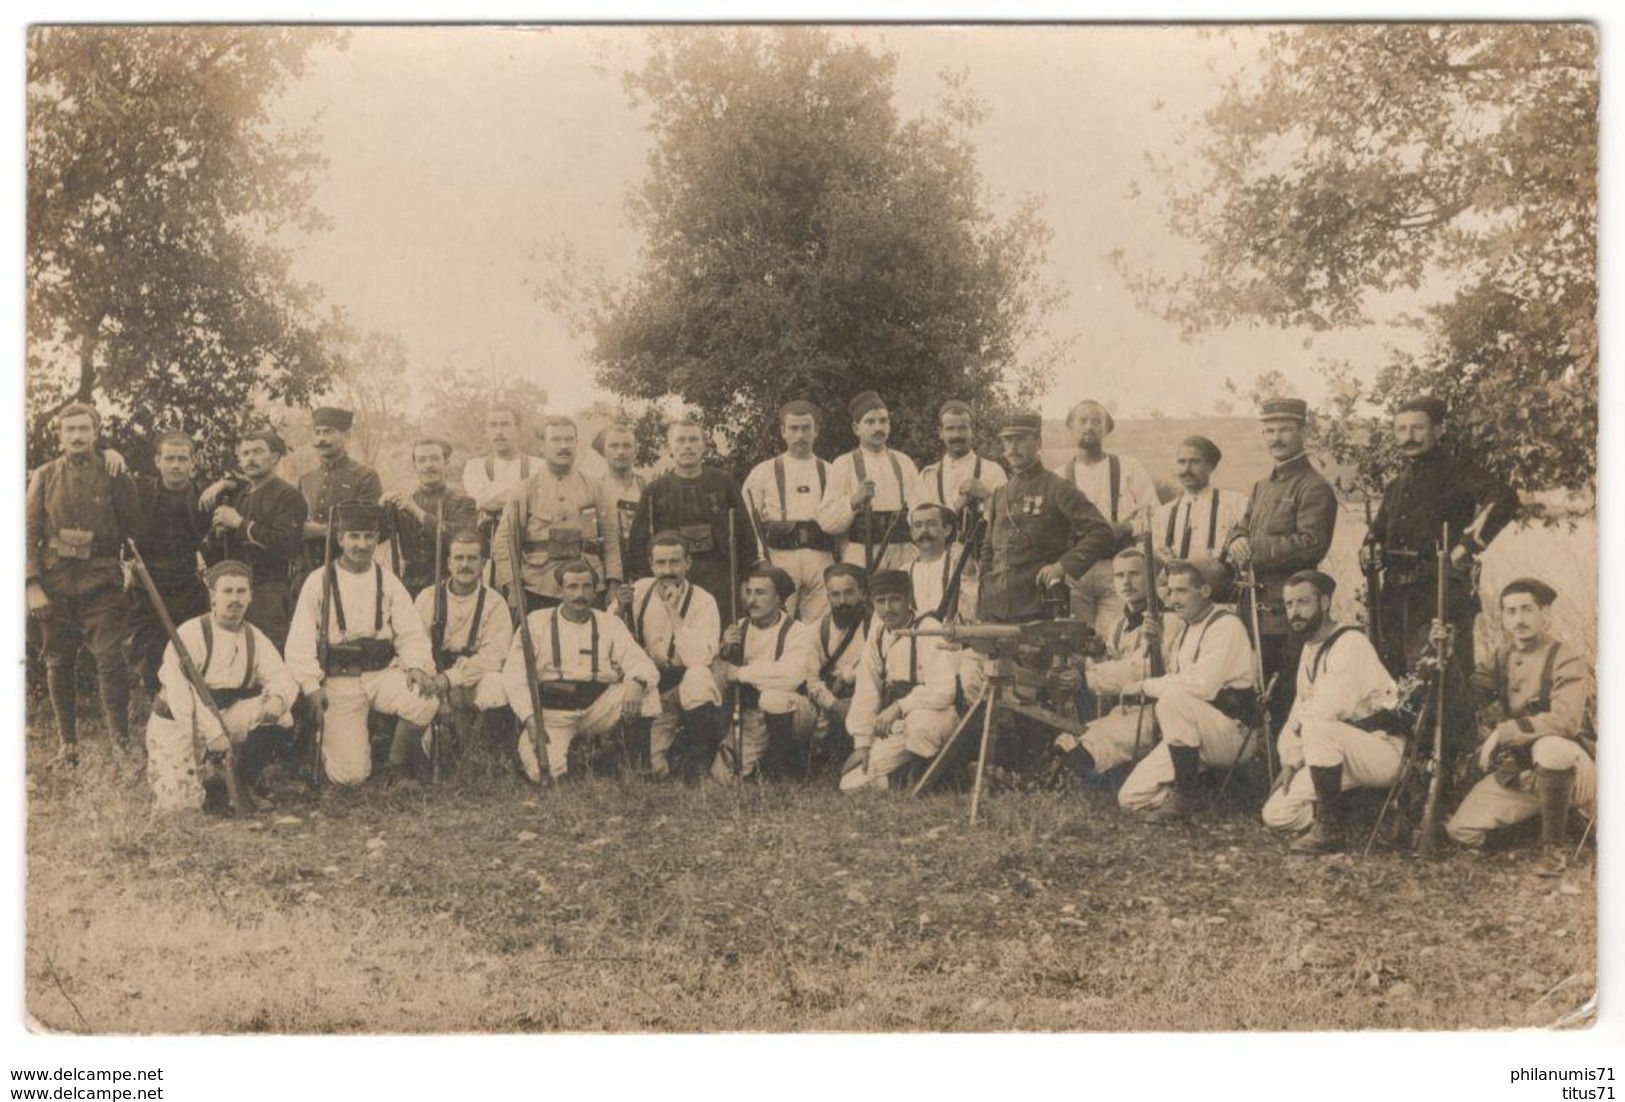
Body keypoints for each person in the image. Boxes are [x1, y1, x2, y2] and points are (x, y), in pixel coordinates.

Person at [1445, 578, 1595, 877]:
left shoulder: (1567, 657)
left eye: (1527, 609)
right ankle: (1547, 820)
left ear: (1545, 613)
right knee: (1461, 830)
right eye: (1510, 612)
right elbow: (1464, 703)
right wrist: (1447, 659)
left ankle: (1553, 849)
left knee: (1550, 747)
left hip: (1577, 768)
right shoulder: (1501, 657)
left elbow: (1566, 720)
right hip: (1525, 771)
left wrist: (1503, 733)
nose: (1519, 620)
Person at [284, 501, 440, 788]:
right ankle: (322, 748)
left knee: (424, 700)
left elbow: (411, 632)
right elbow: (299, 643)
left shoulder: (388, 580)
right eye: (353, 536)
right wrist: (311, 686)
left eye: (369, 536)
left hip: (381, 674)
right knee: (350, 776)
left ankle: (396, 766)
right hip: (340, 680)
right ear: (340, 539)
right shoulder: (318, 582)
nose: (361, 544)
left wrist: (416, 665)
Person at [1361, 395, 1520, 677]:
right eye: (1401, 429)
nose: (1409, 437)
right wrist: (1369, 549)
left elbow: (1505, 499)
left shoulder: (1458, 472)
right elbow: (1378, 532)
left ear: (1438, 430)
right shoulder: (1396, 486)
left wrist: (1467, 548)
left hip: (1439, 598)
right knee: (1392, 681)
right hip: (1394, 601)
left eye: (1417, 428)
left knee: (1441, 684)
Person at [26, 402, 146, 762]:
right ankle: (69, 745)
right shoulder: (44, 476)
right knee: (58, 662)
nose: (77, 436)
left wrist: (120, 471)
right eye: (70, 430)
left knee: (110, 660)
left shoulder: (113, 472)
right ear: (60, 436)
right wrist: (31, 584)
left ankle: (121, 744)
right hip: (54, 585)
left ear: (96, 433)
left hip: (101, 585)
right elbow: (26, 533)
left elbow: (135, 527)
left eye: (84, 429)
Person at [1260, 571, 1404, 854]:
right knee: (1276, 814)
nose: (1295, 612)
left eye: (1303, 602)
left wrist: (1299, 752)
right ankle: (1348, 813)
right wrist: (1290, 761)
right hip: (1332, 753)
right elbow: (1298, 709)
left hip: (1379, 749)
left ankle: (1330, 830)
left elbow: (1326, 708)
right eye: (1289, 605)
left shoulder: (1350, 643)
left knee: (1317, 723)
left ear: (1324, 602)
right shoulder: (1310, 648)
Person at [144, 561, 298, 813]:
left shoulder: (255, 637)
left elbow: (282, 677)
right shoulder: (190, 634)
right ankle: (206, 780)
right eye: (227, 591)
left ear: (250, 596)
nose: (234, 599)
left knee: (281, 714)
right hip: (179, 725)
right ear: (213, 596)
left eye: (241, 591)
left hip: (224, 717)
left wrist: (278, 699)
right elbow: (182, 697)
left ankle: (242, 781)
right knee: (180, 806)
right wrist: (213, 734)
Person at [1223, 397, 1337, 726]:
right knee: (1246, 689)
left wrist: (1253, 548)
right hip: (1251, 607)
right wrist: (1236, 541)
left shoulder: (1313, 486)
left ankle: (1286, 764)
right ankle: (1255, 763)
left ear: (1303, 432)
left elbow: (1311, 544)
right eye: (1269, 430)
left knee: (1285, 694)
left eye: (1285, 430)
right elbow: (1240, 529)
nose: (1276, 438)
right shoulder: (1261, 486)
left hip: (1287, 612)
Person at [1117, 559, 1258, 821]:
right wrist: (1154, 644)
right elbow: (1173, 677)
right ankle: (1199, 791)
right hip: (1190, 735)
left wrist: (1145, 687)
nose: (1173, 599)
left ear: (1204, 591)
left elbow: (1201, 685)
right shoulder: (1185, 631)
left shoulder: (1227, 626)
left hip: (1231, 732)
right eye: (1170, 592)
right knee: (1130, 797)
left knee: (1173, 699)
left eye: (1182, 591)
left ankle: (1184, 794)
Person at [502, 559, 661, 784]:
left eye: (587, 587)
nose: (580, 594)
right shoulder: (536, 623)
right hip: (552, 713)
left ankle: (633, 766)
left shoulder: (610, 624)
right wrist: (530, 719)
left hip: (596, 707)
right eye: (573, 587)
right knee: (544, 773)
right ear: (560, 591)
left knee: (646, 692)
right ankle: (570, 756)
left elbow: (642, 663)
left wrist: (636, 682)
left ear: (596, 591)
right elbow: (514, 676)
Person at [976, 412, 1115, 625]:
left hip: (1040, 605)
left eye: (1021, 439)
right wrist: (986, 591)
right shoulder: (999, 494)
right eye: (1008, 440)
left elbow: (1101, 532)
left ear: (1038, 443)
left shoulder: (1057, 488)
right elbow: (988, 551)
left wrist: (1062, 567)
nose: (1013, 447)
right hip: (996, 609)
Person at [1052, 547, 1174, 783]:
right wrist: (1097, 656)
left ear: (1153, 578)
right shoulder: (1118, 625)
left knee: (1093, 748)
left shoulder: (1167, 621)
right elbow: (1112, 663)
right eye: (1119, 575)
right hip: (1124, 708)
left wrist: (1089, 677)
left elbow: (1141, 668)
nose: (1126, 582)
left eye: (1134, 574)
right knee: (1071, 741)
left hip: (1155, 712)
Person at [839, 569, 960, 792]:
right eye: (880, 601)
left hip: (935, 715)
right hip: (895, 723)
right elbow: (867, 691)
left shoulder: (928, 628)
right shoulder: (877, 634)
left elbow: (944, 689)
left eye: (894, 600)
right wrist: (863, 744)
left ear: (908, 599)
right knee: (851, 784)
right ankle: (919, 780)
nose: (887, 608)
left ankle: (938, 774)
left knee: (920, 727)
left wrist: (900, 707)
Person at [491, 415, 623, 612]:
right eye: (556, 440)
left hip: (588, 585)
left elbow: (611, 538)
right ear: (541, 446)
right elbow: (504, 542)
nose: (564, 446)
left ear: (577, 444)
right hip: (539, 587)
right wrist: (512, 585)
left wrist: (613, 584)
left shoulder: (596, 488)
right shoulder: (525, 489)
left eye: (569, 440)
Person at [627, 417, 757, 610]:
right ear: (670, 448)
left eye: (694, 440)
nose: (687, 446)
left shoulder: (724, 484)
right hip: (672, 579)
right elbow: (638, 544)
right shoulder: (655, 491)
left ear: (704, 446)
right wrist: (649, 585)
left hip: (720, 579)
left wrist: (746, 578)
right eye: (680, 440)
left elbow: (745, 534)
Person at [626, 532, 726, 780]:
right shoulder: (638, 591)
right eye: (660, 563)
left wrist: (673, 612)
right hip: (654, 690)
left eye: (674, 562)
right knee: (653, 770)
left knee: (698, 677)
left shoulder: (704, 601)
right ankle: (673, 751)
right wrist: (619, 611)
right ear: (651, 564)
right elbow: (614, 642)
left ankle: (701, 762)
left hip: (685, 686)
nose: (667, 570)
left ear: (688, 563)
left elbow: (699, 659)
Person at [200, 429, 308, 648]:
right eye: (245, 453)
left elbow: (287, 544)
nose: (250, 458)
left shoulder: (288, 496)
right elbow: (219, 554)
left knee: (269, 658)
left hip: (269, 595)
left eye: (258, 452)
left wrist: (240, 524)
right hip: (233, 594)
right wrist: (218, 535)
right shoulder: (238, 494)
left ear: (275, 457)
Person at [1056, 399, 1159, 629]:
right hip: (1076, 572)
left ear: (1106, 428)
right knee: (1076, 638)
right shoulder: (1059, 476)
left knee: (1115, 633)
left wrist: (1127, 527)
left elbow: (1154, 515)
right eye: (1083, 421)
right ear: (1071, 426)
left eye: (1096, 421)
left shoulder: (1129, 468)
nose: (1089, 426)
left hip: (1117, 569)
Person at [415, 530, 515, 760]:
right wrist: (440, 692)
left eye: (472, 558)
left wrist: (452, 679)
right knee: (429, 753)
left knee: (497, 685)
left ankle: (485, 751)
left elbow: (495, 656)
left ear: (483, 563)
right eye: (459, 558)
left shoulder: (495, 603)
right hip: (433, 681)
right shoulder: (428, 597)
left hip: (471, 680)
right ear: (448, 563)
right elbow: (416, 647)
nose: (465, 565)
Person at [713, 564, 818, 781]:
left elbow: (791, 675)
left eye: (760, 593)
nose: (751, 600)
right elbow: (721, 674)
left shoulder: (797, 631)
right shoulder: (738, 628)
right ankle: (759, 765)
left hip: (794, 711)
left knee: (774, 698)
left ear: (779, 598)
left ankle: (782, 771)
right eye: (749, 592)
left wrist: (740, 674)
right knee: (723, 776)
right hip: (751, 715)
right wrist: (724, 651)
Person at [127, 431, 210, 696]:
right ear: (157, 461)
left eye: (182, 459)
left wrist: (225, 483)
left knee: (191, 650)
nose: (176, 465)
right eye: (170, 458)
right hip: (148, 585)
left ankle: (190, 705)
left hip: (188, 587)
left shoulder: (205, 498)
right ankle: (156, 705)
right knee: (150, 652)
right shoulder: (141, 492)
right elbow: (112, 480)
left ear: (192, 462)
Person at [742, 400, 835, 622]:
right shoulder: (763, 472)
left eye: (806, 428)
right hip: (780, 557)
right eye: (793, 428)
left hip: (820, 556)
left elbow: (840, 517)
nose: (800, 435)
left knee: (820, 622)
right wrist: (761, 559)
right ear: (783, 432)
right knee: (778, 621)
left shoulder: (831, 471)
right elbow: (748, 519)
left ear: (816, 431)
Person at [816, 391, 927, 573]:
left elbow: (921, 508)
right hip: (861, 555)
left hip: (904, 553)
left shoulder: (904, 462)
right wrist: (853, 501)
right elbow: (827, 522)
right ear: (856, 428)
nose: (878, 427)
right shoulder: (843, 464)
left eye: (884, 421)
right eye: (870, 422)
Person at [381, 437, 479, 594]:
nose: (428, 465)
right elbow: (376, 535)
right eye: (422, 460)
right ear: (415, 466)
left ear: (446, 463)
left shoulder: (464, 503)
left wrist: (418, 513)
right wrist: (381, 507)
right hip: (409, 589)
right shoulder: (403, 504)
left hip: (450, 588)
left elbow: (461, 541)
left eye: (434, 459)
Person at [297, 406, 382, 572]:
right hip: (308, 570)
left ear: (347, 435)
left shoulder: (365, 476)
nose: (321, 439)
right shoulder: (306, 480)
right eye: (318, 432)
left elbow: (371, 525)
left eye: (328, 432)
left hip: (349, 569)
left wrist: (322, 531)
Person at [808, 563, 871, 770]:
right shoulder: (817, 630)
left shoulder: (875, 626)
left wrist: (848, 677)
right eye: (835, 594)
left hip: (867, 699)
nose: (842, 601)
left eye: (849, 593)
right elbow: (811, 679)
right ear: (827, 596)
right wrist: (833, 704)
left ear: (861, 593)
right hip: (830, 703)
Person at [1152, 435, 1247, 565]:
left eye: (1195, 462)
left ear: (1210, 466)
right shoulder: (1163, 515)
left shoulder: (1235, 504)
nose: (1186, 469)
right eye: (1182, 462)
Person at [463, 403, 540, 553]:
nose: (499, 431)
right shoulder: (474, 467)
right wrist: (525, 491)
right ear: (486, 430)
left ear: (518, 429)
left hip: (529, 550)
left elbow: (541, 503)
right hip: (490, 552)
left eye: (505, 425)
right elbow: (484, 499)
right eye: (493, 425)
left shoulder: (538, 466)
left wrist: (495, 491)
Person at [919, 399, 1007, 528]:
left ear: (973, 431)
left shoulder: (993, 471)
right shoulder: (928, 476)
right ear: (940, 433)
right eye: (950, 429)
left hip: (980, 547)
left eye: (963, 428)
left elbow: (1006, 521)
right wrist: (959, 503)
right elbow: (920, 523)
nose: (956, 435)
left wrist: (987, 496)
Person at [594, 422, 646, 581]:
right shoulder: (595, 488)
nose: (621, 452)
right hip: (608, 569)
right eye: (614, 446)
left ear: (635, 452)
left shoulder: (646, 486)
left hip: (642, 567)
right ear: (604, 451)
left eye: (627, 446)